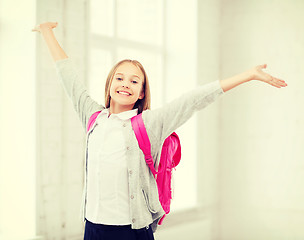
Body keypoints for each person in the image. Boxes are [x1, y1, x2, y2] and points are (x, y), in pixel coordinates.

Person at [32, 22, 287, 240]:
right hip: (93, 226)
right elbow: (69, 78)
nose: (125, 84)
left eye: (134, 81)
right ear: (109, 84)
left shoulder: (149, 123)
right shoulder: (93, 116)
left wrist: (248, 75)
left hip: (131, 229)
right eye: (119, 78)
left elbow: (193, 99)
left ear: (142, 92)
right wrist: (46, 32)